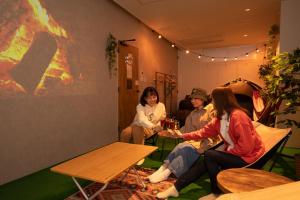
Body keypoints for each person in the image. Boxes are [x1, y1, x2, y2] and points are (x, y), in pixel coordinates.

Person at [156, 87, 265, 199]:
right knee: (206, 162)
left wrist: (226, 153)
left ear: (221, 100)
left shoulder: (238, 116)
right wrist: (180, 135)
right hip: (236, 154)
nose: (212, 103)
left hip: (249, 157)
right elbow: (201, 133)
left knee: (210, 155)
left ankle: (216, 192)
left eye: (213, 100)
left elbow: (246, 147)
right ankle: (175, 188)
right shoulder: (219, 119)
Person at [148, 88, 221, 183]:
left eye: (195, 99)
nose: (192, 101)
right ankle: (162, 169)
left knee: (187, 148)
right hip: (195, 139)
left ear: (202, 99)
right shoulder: (193, 113)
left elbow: (214, 128)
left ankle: (166, 173)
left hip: (209, 140)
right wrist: (172, 133)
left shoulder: (211, 109)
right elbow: (186, 129)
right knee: (180, 146)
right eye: (191, 99)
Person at [120, 86, 166, 164]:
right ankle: (124, 154)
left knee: (137, 127)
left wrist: (157, 127)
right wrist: (153, 126)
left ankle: (139, 155)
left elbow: (162, 118)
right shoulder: (140, 106)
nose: (152, 100)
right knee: (125, 133)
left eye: (154, 97)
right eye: (149, 98)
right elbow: (141, 120)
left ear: (157, 96)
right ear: (145, 98)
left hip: (150, 129)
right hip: (138, 125)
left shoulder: (161, 106)